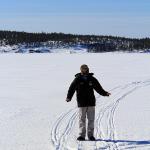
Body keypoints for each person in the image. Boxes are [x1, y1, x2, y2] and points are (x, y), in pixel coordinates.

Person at [66, 64, 111, 141]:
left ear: (88, 69)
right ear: (81, 70)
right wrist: (69, 97)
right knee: (81, 119)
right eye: (83, 69)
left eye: (86, 69)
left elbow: (98, 88)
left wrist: (105, 93)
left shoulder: (92, 79)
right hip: (81, 102)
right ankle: (81, 135)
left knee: (91, 119)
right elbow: (71, 89)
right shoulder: (77, 79)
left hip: (91, 102)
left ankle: (90, 135)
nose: (84, 70)